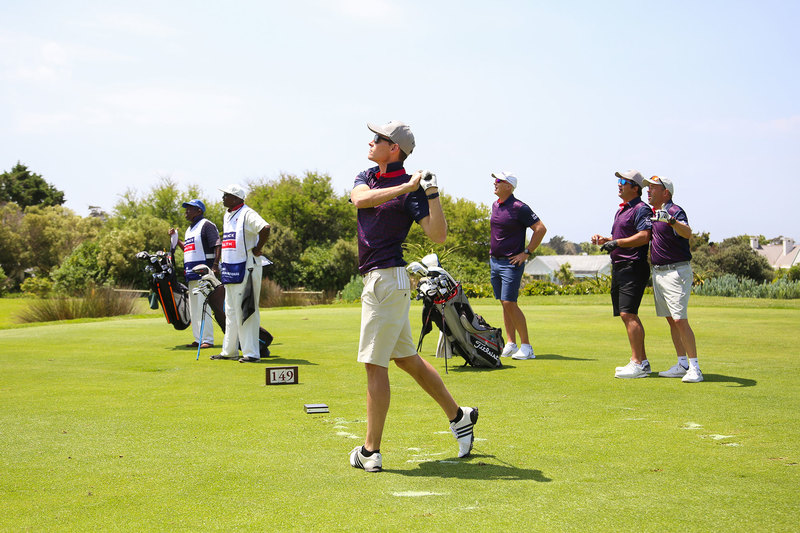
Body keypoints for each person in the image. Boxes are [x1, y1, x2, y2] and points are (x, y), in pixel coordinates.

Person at [348, 120, 478, 473]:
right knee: (407, 359)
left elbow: (437, 235)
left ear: (394, 149)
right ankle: (459, 415)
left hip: (387, 281)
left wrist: (431, 194)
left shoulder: (414, 190)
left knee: (375, 366)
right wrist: (404, 186)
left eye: (378, 139)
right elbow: (359, 199)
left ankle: (370, 450)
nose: (371, 141)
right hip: (381, 281)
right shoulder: (368, 176)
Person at [591, 170, 653, 378]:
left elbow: (644, 236)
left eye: (623, 182)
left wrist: (616, 243)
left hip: (633, 266)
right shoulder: (622, 210)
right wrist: (607, 239)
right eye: (619, 181)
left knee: (629, 313)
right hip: (620, 266)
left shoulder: (641, 209)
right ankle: (641, 362)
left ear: (635, 187)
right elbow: (623, 236)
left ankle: (638, 363)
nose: (619, 184)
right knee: (626, 315)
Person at [644, 176, 703, 383]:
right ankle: (682, 364)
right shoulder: (652, 214)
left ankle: (695, 367)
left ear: (665, 192)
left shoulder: (674, 210)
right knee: (671, 320)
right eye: (648, 188)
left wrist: (670, 220)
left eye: (653, 188)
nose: (648, 191)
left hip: (676, 272)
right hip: (659, 273)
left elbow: (687, 233)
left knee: (679, 319)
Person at [210, 184, 271, 363]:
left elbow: (265, 229)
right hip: (230, 269)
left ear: (236, 198)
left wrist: (258, 249)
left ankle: (251, 353)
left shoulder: (247, 213)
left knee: (247, 310)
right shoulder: (228, 214)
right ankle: (229, 351)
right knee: (230, 311)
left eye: (226, 195)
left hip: (247, 267)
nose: (223, 198)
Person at [489, 171, 547, 360]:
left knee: (509, 302)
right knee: (504, 304)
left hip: (511, 263)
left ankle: (527, 347)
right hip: (495, 261)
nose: (495, 183)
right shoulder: (495, 205)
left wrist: (527, 252)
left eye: (498, 181)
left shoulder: (519, 207)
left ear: (509, 186)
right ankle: (511, 343)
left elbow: (540, 228)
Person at [168, 199, 220, 349]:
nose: (186, 211)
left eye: (190, 208)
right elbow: (188, 249)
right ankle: (198, 338)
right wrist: (177, 240)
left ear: (199, 211)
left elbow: (217, 244)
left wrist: (215, 265)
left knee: (204, 307)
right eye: (186, 209)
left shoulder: (206, 225)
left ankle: (207, 340)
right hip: (191, 274)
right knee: (195, 309)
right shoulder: (190, 229)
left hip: (204, 273)